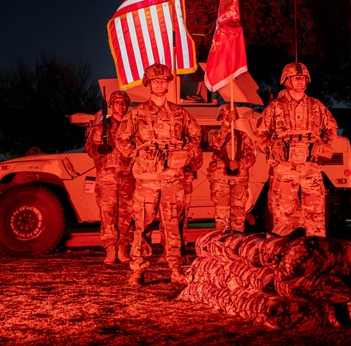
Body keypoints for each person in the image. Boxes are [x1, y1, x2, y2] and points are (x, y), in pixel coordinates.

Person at [116, 64, 202, 285]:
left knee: (173, 223)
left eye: (163, 81)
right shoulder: (137, 113)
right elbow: (121, 139)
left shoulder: (180, 113)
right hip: (147, 177)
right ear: (149, 84)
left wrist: (186, 153)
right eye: (156, 81)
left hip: (172, 176)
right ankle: (138, 269)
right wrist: (136, 155)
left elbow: (196, 135)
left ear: (168, 83)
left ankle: (176, 268)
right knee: (142, 223)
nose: (160, 84)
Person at [253, 62, 337, 237]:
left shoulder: (316, 106)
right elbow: (259, 135)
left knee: (315, 217)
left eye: (303, 78)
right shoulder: (275, 108)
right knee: (284, 217)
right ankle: (286, 257)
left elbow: (331, 128)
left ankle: (315, 255)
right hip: (284, 167)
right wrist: (272, 149)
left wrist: (323, 144)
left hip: (311, 166)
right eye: (296, 78)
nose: (300, 81)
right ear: (286, 81)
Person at [84, 89, 135, 265]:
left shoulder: (133, 126)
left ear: (127, 105)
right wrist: (98, 150)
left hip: (128, 175)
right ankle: (110, 249)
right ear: (111, 106)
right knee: (108, 214)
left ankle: (123, 248)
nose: (120, 105)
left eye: (123, 102)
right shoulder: (101, 126)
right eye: (116, 102)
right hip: (107, 176)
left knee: (126, 214)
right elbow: (89, 148)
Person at [208, 105, 256, 232]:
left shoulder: (243, 136)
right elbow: (216, 143)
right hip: (221, 180)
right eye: (225, 117)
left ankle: (236, 243)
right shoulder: (215, 134)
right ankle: (222, 243)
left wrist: (240, 164)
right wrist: (227, 124)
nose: (228, 119)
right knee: (222, 214)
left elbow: (251, 156)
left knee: (238, 214)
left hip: (238, 180)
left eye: (231, 117)